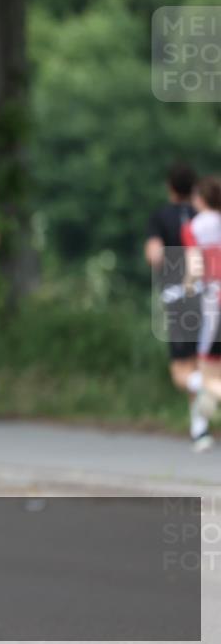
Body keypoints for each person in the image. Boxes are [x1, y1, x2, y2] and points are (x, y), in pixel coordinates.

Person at [146, 163, 207, 446]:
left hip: (178, 295)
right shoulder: (203, 216)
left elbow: (155, 255)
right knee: (197, 362)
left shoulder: (161, 216)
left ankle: (209, 391)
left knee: (181, 371)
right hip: (207, 295)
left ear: (170, 187)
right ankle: (199, 428)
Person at [180, 175, 221, 453]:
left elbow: (195, 267)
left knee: (205, 370)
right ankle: (199, 431)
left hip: (213, 301)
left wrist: (186, 289)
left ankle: (199, 431)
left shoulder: (194, 227)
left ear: (201, 199)